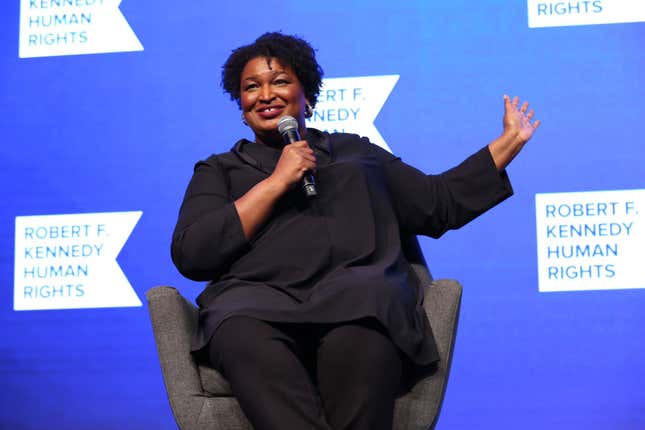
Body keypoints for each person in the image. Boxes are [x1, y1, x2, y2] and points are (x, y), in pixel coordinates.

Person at [171, 32, 540, 430]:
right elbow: (193, 251)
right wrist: (276, 183)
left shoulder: (355, 153)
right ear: (241, 109)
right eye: (251, 87)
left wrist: (507, 143)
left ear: (307, 96)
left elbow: (438, 203)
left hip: (357, 297)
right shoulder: (220, 169)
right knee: (239, 333)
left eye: (279, 81)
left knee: (365, 324)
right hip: (254, 305)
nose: (266, 94)